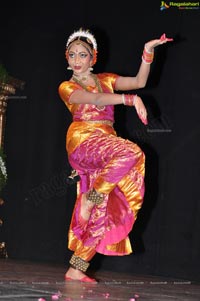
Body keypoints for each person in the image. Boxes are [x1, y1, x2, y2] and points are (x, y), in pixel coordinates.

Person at [58, 28, 173, 283]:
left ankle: (77, 268)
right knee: (132, 151)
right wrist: (129, 100)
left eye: (83, 55)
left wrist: (148, 51)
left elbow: (140, 82)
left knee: (101, 213)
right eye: (72, 55)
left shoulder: (107, 79)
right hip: (84, 140)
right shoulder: (67, 86)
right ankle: (90, 197)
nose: (77, 60)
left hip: (106, 144)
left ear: (93, 58)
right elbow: (94, 97)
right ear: (67, 59)